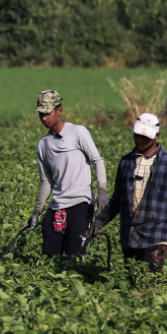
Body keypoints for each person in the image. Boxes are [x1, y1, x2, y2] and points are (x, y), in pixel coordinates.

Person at [90, 113, 167, 273]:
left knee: (149, 282)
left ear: (156, 136)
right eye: (137, 135)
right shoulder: (126, 163)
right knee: (132, 283)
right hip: (130, 234)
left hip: (158, 233)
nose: (139, 140)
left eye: (145, 137)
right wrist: (99, 221)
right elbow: (117, 200)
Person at [24, 90, 108, 257]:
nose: (44, 118)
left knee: (75, 254)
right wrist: (36, 212)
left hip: (80, 203)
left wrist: (103, 192)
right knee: (50, 255)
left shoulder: (78, 132)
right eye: (41, 114)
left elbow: (97, 161)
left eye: (47, 113)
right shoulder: (43, 144)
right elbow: (46, 181)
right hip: (57, 205)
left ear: (59, 110)